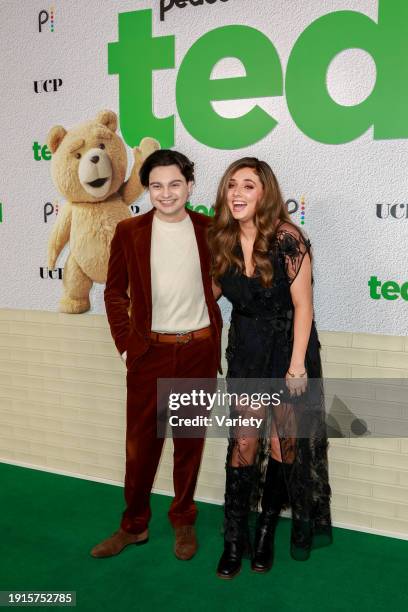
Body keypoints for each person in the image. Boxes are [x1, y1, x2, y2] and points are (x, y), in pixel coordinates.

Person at [90, 149, 222, 560]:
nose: (166, 194)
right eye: (157, 186)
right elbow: (114, 292)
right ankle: (133, 526)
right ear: (148, 189)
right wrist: (127, 346)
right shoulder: (129, 231)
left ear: (190, 186)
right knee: (141, 447)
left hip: (199, 351)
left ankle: (183, 519)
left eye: (175, 184)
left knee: (188, 444)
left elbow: (226, 279)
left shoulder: (211, 229)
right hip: (149, 354)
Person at [208, 157, 332, 579]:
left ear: (265, 193)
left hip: (286, 352)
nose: (238, 193)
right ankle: (233, 538)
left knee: (283, 445)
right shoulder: (221, 239)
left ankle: (264, 534)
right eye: (232, 186)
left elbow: (304, 307)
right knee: (244, 442)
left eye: (248, 186)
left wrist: (297, 366)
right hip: (246, 350)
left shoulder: (288, 239)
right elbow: (209, 294)